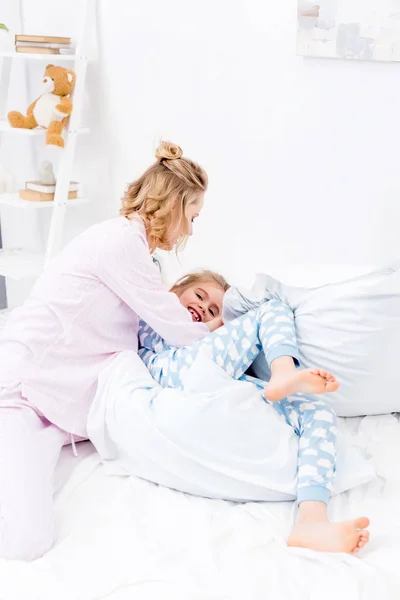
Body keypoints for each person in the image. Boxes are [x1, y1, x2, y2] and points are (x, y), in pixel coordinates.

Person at [0, 141, 215, 561]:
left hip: (46, 400)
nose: (189, 232)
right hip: (20, 387)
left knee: (34, 489)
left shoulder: (131, 248)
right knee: (29, 539)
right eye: (190, 218)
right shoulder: (120, 245)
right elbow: (174, 326)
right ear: (171, 207)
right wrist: (232, 332)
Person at [137, 269, 370, 554]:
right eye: (199, 296)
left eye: (212, 310)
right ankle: (283, 371)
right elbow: (173, 331)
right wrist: (221, 321)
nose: (203, 308)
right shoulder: (156, 306)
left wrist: (221, 325)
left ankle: (312, 520)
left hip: (213, 376)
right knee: (272, 309)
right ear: (176, 289)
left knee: (317, 412)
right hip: (174, 366)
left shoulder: (212, 341)